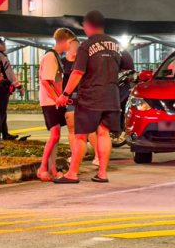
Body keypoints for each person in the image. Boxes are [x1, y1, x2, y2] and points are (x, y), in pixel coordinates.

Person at [55, 11, 133, 184]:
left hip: (91, 94)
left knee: (81, 135)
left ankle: (72, 174)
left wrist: (65, 94)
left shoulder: (86, 45)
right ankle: (102, 173)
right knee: (104, 133)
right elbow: (128, 66)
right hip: (111, 95)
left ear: (88, 25)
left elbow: (77, 72)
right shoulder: (116, 44)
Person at [37, 28, 74, 181]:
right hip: (50, 102)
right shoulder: (50, 57)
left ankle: (51, 168)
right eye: (70, 43)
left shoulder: (56, 57)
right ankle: (43, 168)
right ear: (63, 41)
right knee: (55, 136)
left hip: (54, 100)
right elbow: (46, 81)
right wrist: (58, 98)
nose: (71, 46)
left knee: (56, 136)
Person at [60, 37, 100, 165]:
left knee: (89, 128)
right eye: (73, 47)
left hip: (84, 96)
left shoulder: (84, 62)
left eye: (78, 47)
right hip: (70, 97)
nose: (76, 49)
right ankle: (75, 155)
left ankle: (98, 156)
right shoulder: (62, 63)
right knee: (72, 128)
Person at [0, 37, 23, 140]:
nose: (5, 46)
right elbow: (9, 72)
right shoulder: (2, 57)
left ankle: (4, 133)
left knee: (1, 110)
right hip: (3, 86)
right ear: (0, 46)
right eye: (3, 44)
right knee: (2, 110)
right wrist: (16, 84)